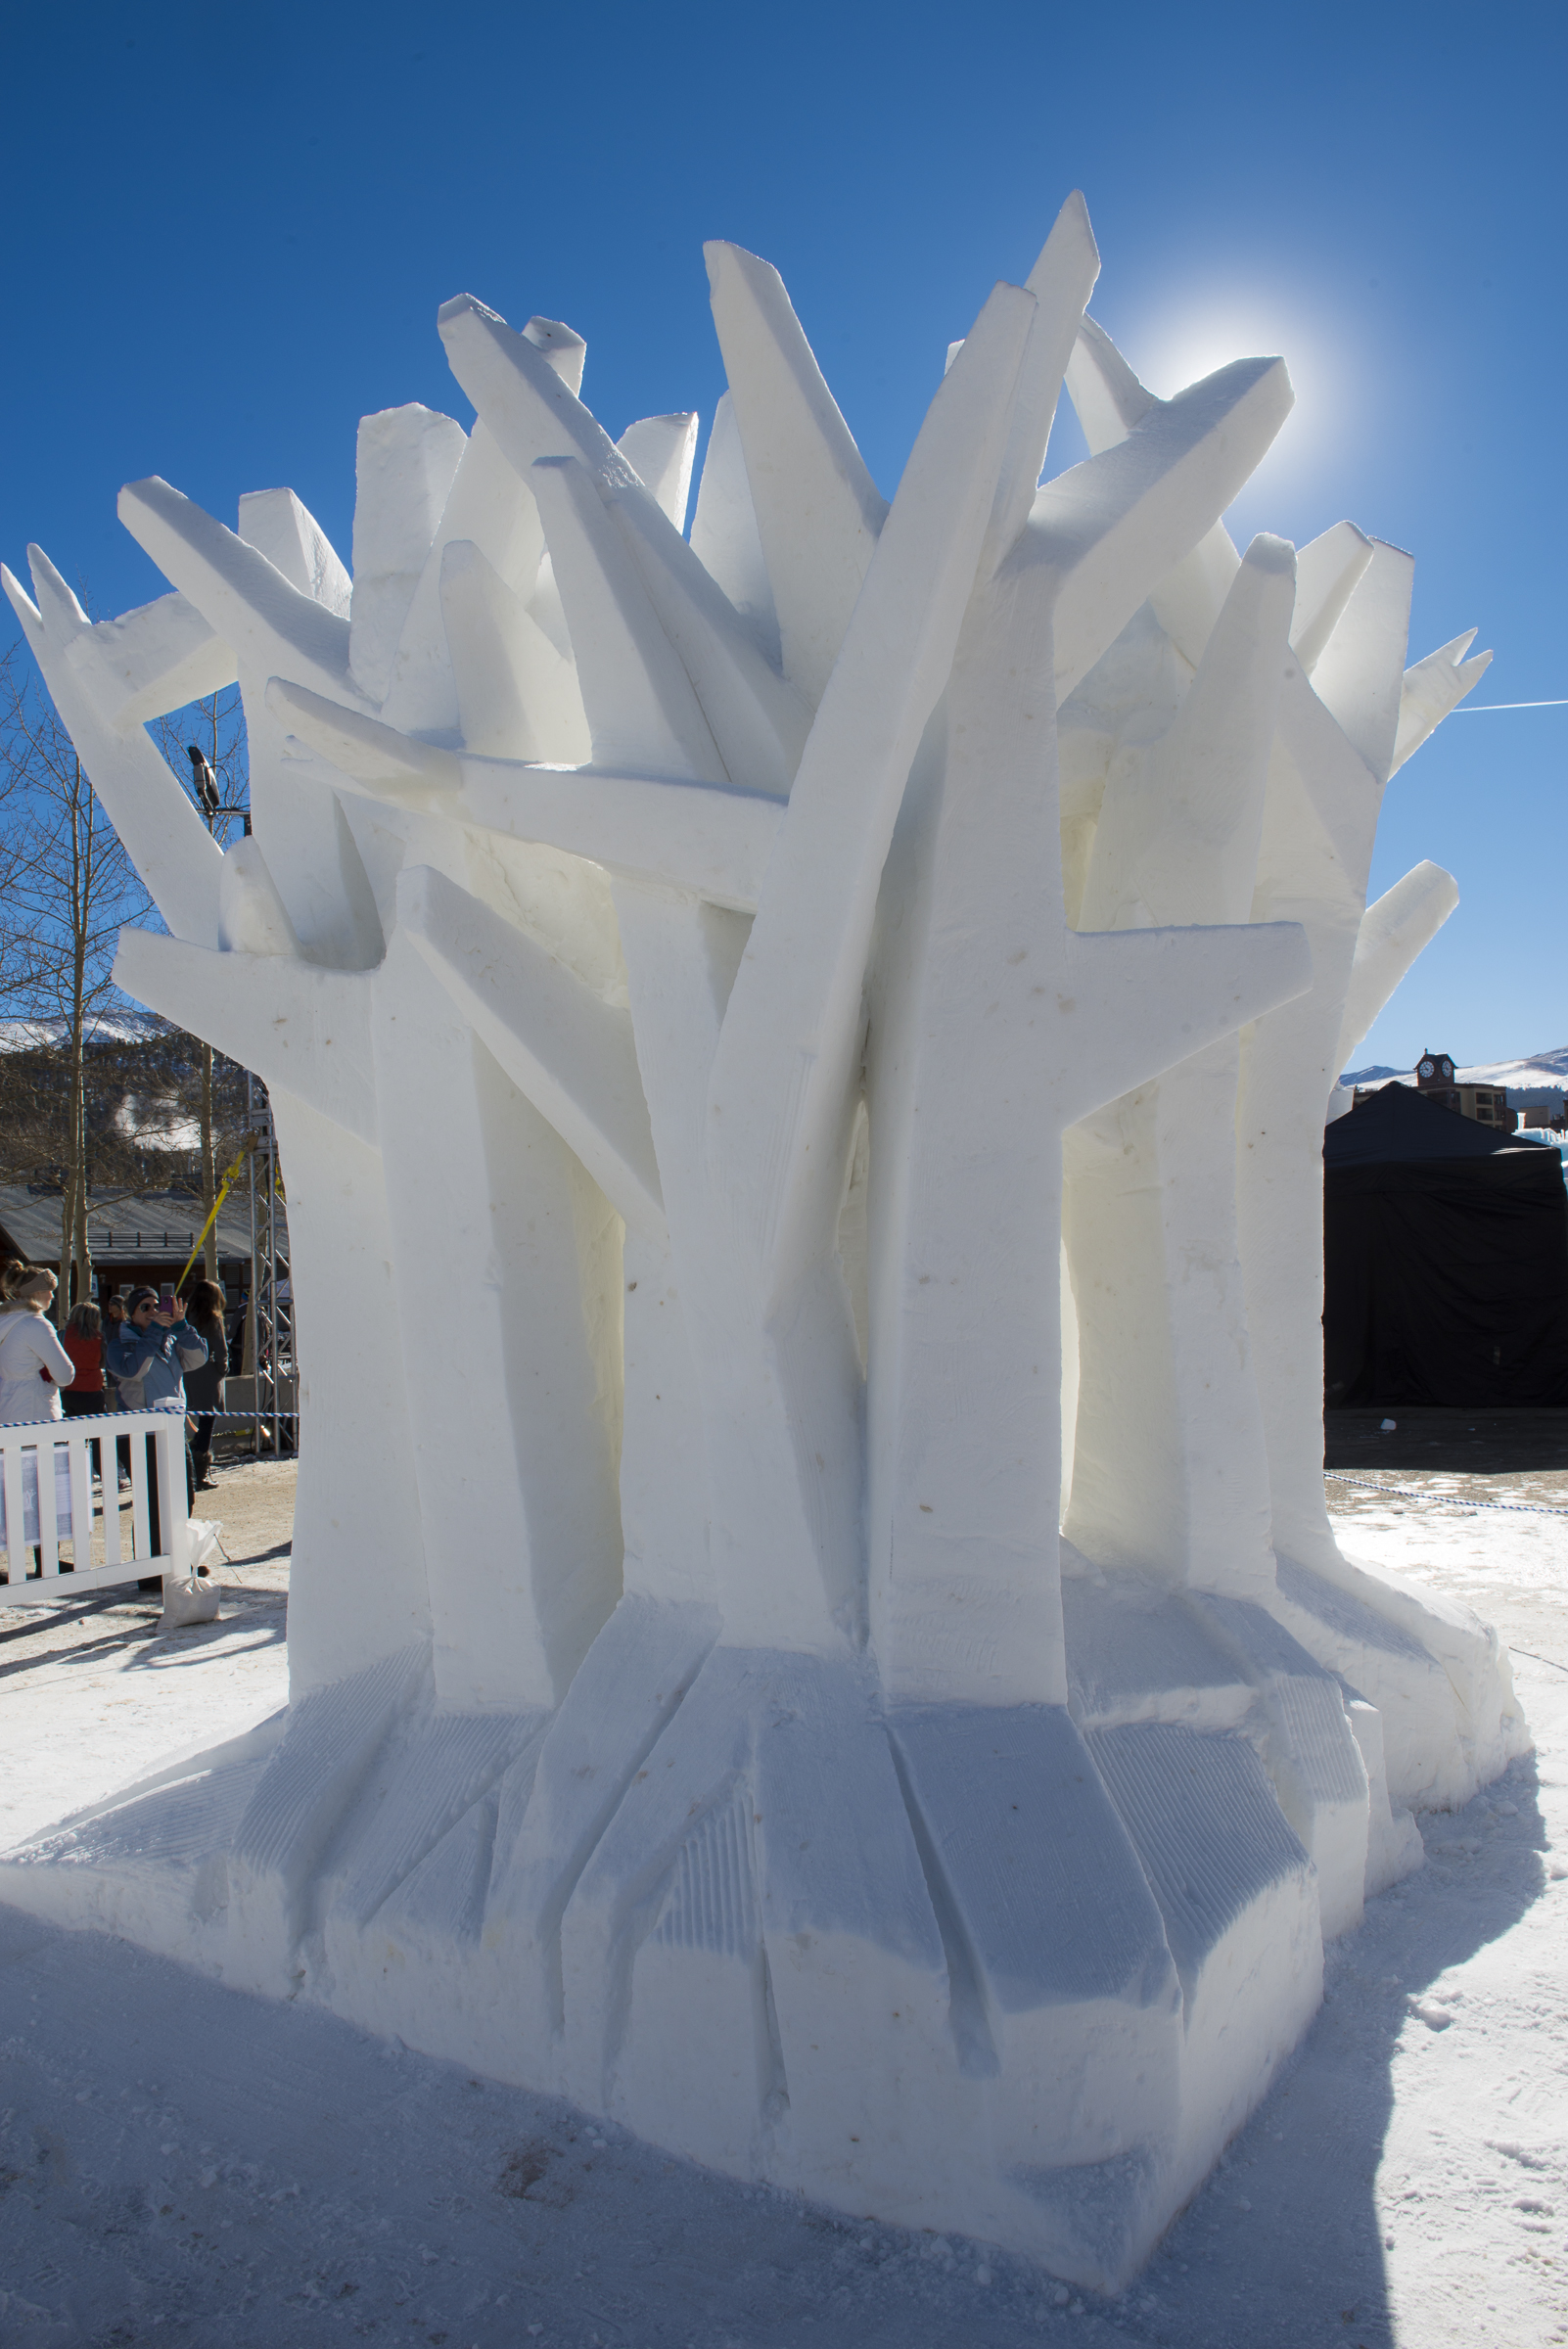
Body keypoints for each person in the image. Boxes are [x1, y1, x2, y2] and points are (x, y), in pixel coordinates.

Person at [106, 1286, 208, 1585]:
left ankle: (180, 1559)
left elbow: (199, 1358)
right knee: (152, 1502)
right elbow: (133, 1371)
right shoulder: (119, 1344)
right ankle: (150, 1571)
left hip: (173, 1431)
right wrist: (153, 1333)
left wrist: (181, 1326)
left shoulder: (170, 1338)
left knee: (184, 1495)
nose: (153, 1312)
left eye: (156, 1306)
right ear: (131, 1314)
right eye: (145, 1308)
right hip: (139, 1435)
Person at [0, 1267, 78, 1582]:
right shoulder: (35, 1324)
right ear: (36, 1293)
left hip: (7, 1413)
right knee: (42, 1492)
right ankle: (46, 1562)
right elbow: (65, 1373)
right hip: (36, 1415)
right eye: (49, 1289)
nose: (52, 1295)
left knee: (13, 1493)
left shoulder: (4, 1321)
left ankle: (25, 1561)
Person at [180, 1279, 227, 1491]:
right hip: (208, 1376)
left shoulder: (186, 1317)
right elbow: (221, 1350)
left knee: (200, 1421)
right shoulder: (213, 1319)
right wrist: (221, 1369)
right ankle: (199, 1473)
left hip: (188, 1374)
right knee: (207, 1421)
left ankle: (192, 1464)